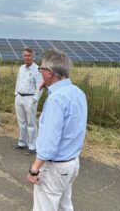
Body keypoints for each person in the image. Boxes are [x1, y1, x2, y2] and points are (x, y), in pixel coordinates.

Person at [27, 49, 87, 211]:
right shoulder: (77, 92)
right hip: (72, 162)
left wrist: (34, 169)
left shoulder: (56, 99)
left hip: (56, 167)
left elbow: (49, 141)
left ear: (49, 73)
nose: (39, 72)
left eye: (41, 69)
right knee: (64, 205)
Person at [14, 47, 43, 156]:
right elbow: (18, 81)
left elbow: (40, 86)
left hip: (30, 99)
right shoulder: (21, 68)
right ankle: (22, 143)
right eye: (25, 55)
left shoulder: (37, 69)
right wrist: (16, 94)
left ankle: (32, 146)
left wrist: (34, 100)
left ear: (33, 57)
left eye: (29, 55)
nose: (27, 57)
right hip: (19, 97)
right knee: (21, 122)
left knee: (31, 123)